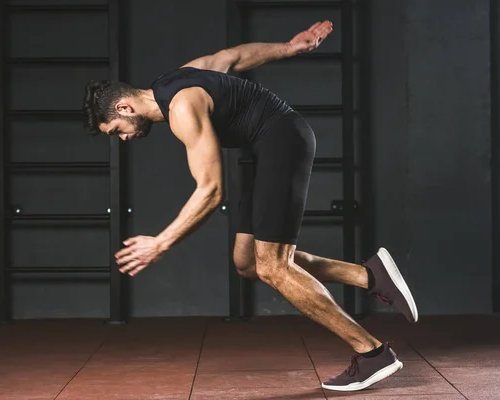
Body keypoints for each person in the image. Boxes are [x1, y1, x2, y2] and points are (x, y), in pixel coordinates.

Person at [82, 21, 418, 392]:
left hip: (283, 141)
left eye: (117, 130)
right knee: (247, 262)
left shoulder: (181, 108)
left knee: (274, 267)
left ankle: (373, 353)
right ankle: (368, 276)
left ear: (124, 106)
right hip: (265, 149)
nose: (125, 139)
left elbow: (211, 192)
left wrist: (160, 243)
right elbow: (230, 57)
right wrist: (289, 48)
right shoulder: (171, 80)